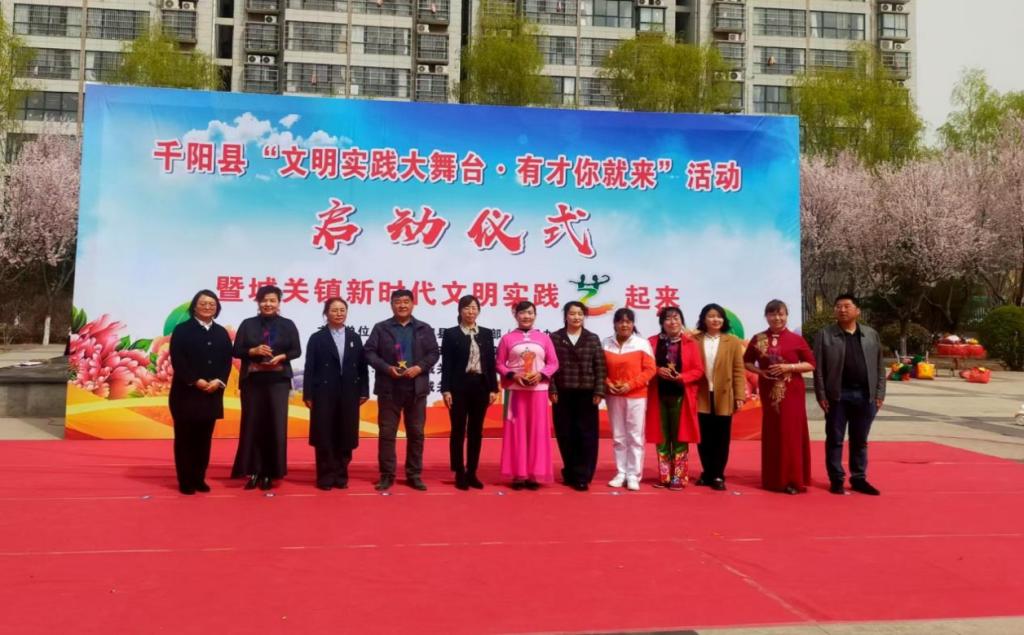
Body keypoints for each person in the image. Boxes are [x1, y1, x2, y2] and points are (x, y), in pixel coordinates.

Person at [365, 289, 439, 492]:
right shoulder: (381, 328)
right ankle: (387, 475)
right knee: (387, 433)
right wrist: (386, 368)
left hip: (416, 388)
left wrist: (420, 367)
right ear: (391, 305)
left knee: (416, 433)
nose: (402, 305)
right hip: (389, 388)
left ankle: (414, 474)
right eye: (398, 302)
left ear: (413, 304)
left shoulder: (424, 328)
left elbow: (434, 353)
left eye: (406, 301)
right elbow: (369, 353)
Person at [813, 294, 886, 496]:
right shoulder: (825, 335)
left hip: (865, 395)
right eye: (838, 306)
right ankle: (836, 479)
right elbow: (818, 369)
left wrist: (880, 393)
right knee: (835, 438)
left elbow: (880, 366)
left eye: (846, 306)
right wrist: (821, 395)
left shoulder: (871, 334)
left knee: (860, 439)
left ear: (857, 311)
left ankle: (859, 478)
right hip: (837, 395)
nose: (842, 310)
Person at [231, 285, 302, 491]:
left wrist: (282, 356)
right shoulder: (248, 324)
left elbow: (296, 350)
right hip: (252, 381)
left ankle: (270, 472)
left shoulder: (288, 324)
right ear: (258, 302)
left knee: (275, 425)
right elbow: (236, 350)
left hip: (278, 381)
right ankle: (253, 471)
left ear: (279, 303)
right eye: (264, 300)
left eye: (272, 300)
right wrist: (252, 351)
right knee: (252, 425)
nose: (268, 304)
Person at [743, 299, 816, 495]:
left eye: (781, 314)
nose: (777, 318)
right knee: (773, 432)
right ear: (766, 316)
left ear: (786, 316)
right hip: (769, 392)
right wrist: (760, 372)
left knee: (791, 432)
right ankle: (773, 479)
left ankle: (793, 479)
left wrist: (788, 367)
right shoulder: (758, 338)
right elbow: (747, 362)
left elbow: (811, 364)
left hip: (792, 392)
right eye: (772, 314)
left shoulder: (796, 339)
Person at [168, 290, 233, 495]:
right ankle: (185, 480)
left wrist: (219, 380)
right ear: (194, 306)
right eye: (203, 303)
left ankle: (199, 478)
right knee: (185, 439)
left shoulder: (221, 332)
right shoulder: (182, 330)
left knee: (204, 440)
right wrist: (195, 380)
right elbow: (178, 359)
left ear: (217, 308)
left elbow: (227, 361)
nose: (207, 307)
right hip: (186, 393)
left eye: (212, 304)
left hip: (211, 393)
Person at [303, 297, 369, 491]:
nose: (339, 314)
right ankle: (325, 476)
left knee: (346, 434)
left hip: (349, 393)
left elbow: (362, 368)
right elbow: (309, 368)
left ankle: (341, 475)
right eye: (334, 310)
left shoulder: (354, 337)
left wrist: (364, 390)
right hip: (323, 393)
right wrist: (308, 394)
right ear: (326, 313)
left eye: (342, 310)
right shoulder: (317, 338)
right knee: (324, 435)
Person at [496, 301, 559, 490]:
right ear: (515, 315)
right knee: (516, 432)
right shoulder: (507, 339)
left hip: (538, 392)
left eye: (530, 313)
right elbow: (499, 364)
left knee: (537, 432)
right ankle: (518, 474)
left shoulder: (544, 338)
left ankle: (534, 474)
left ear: (535, 315)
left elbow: (553, 363)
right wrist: (514, 376)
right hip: (515, 392)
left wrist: (540, 375)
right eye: (522, 313)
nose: (526, 316)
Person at [440, 295, 499, 490]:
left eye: (474, 308)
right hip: (458, 387)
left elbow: (490, 363)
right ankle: (459, 471)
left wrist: (493, 388)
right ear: (460, 311)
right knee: (458, 429)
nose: (470, 311)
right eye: (466, 308)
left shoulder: (486, 334)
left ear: (479, 311)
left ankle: (472, 471)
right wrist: (446, 389)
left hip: (480, 386)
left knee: (476, 430)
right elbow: (447, 364)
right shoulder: (451, 334)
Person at [549, 301, 606, 491]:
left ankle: (583, 475)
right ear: (565, 316)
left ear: (584, 316)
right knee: (565, 434)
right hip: (562, 393)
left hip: (586, 393)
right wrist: (552, 389)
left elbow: (600, 366)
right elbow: (550, 365)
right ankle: (570, 471)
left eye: (580, 314)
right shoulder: (555, 337)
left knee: (586, 435)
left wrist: (599, 391)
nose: (576, 317)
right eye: (572, 314)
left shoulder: (592, 338)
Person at [644, 306, 703, 490]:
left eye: (676, 318)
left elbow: (698, 371)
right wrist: (656, 370)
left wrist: (681, 377)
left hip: (681, 397)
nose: (672, 322)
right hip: (658, 395)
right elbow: (644, 365)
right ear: (662, 323)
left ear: (682, 321)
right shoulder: (651, 342)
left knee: (680, 437)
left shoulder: (690, 343)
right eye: (668, 319)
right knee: (661, 437)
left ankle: (679, 476)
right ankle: (664, 476)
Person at [693, 303, 747, 491]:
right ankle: (707, 472)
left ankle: (717, 474)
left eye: (719, 316)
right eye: (711, 316)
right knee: (703, 437)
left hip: (724, 395)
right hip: (701, 395)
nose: (715, 319)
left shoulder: (732, 342)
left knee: (721, 437)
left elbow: (738, 370)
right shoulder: (694, 340)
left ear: (724, 320)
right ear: (703, 319)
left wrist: (739, 394)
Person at [603, 308, 656, 491]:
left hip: (636, 396)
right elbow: (600, 368)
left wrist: (630, 385)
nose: (624, 325)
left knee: (635, 435)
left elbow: (650, 370)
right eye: (620, 321)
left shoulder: (642, 344)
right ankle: (621, 472)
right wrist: (608, 383)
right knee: (618, 435)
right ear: (615, 324)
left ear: (633, 324)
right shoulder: (606, 343)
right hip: (613, 395)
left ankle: (633, 474)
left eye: (628, 321)